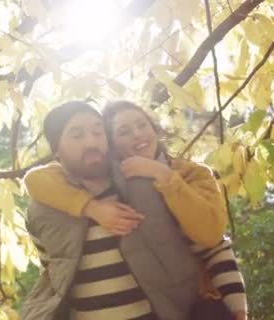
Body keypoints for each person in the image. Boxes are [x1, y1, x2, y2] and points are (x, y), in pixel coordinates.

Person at [24, 100, 247, 320]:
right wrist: (91, 207)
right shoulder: (44, 208)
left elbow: (212, 245)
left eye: (97, 132)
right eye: (77, 135)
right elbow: (54, 271)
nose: (91, 141)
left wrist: (237, 309)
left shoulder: (149, 183)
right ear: (56, 149)